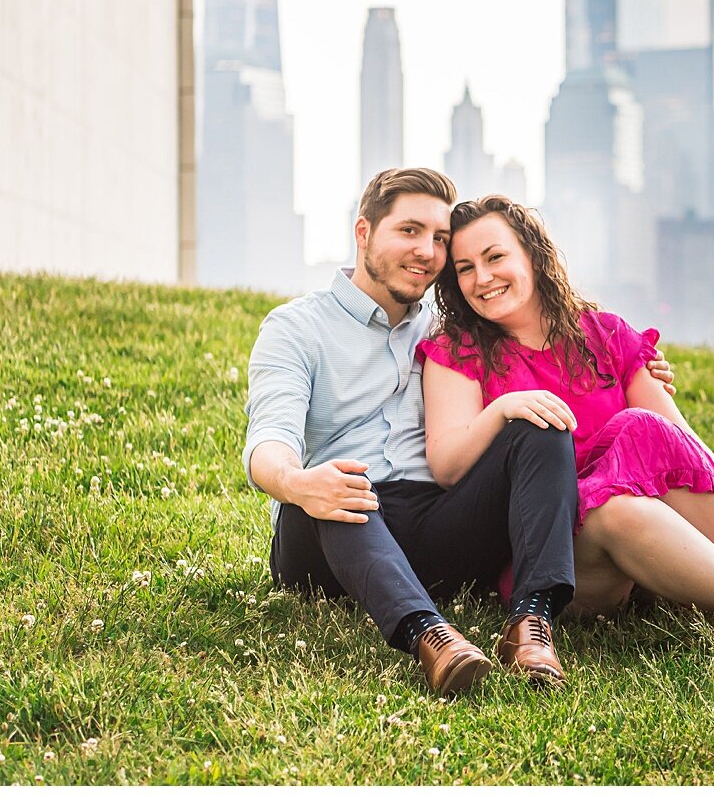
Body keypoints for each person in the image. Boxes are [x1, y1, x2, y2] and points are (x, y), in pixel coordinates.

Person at [241, 168, 687, 696]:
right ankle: (431, 638)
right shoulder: (296, 328)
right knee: (339, 490)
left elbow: (546, 332)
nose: (427, 251)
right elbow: (269, 441)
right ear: (364, 233)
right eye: (409, 230)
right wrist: (297, 484)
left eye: (438, 238)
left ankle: (532, 625)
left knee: (537, 423)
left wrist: (636, 364)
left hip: (439, 522)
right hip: (327, 534)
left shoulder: (452, 328)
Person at [421, 195, 714, 663]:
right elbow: (449, 467)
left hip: (654, 535)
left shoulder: (606, 334)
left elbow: (679, 447)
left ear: (532, 255)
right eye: (465, 268)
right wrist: (504, 409)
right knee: (614, 510)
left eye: (495, 257)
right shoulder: (458, 352)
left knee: (642, 426)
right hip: (565, 556)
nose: (483, 278)